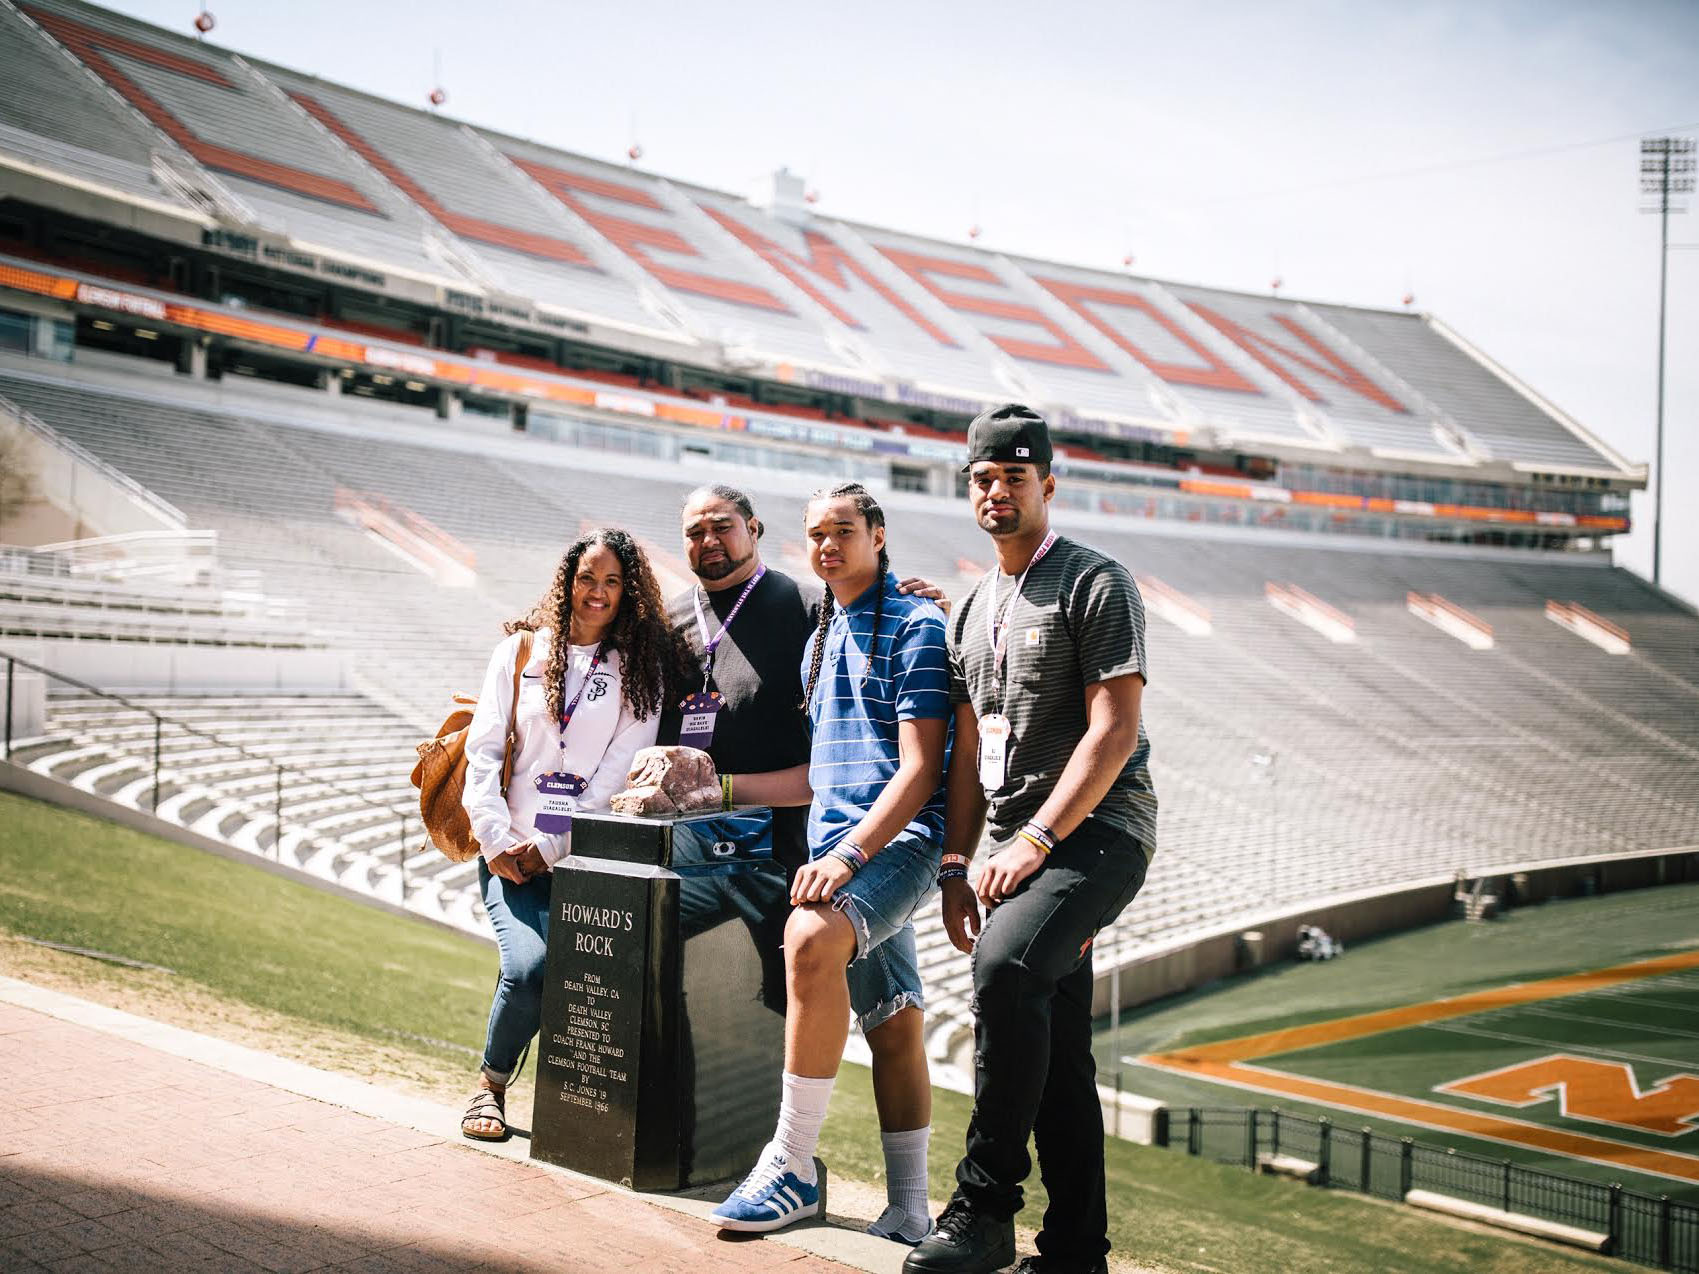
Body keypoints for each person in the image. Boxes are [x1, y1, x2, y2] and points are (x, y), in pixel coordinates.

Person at [905, 405, 1157, 1274]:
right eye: (983, 478)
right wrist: (952, 862)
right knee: (1057, 1046)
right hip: (1015, 845)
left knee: (1006, 972)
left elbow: (1114, 730)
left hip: (1097, 832)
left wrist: (1039, 838)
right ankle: (1077, 1250)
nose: (997, 491)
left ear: (1046, 484)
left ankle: (982, 1211)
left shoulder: (1095, 582)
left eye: (1014, 476)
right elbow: (969, 752)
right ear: (968, 489)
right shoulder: (974, 607)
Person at [711, 482, 950, 1244]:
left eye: (842, 530)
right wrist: (713, 786)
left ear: (877, 535)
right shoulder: (821, 640)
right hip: (838, 848)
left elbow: (918, 770)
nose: (825, 546)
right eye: (815, 533)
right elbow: (817, 775)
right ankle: (911, 1208)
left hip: (894, 843)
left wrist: (848, 855)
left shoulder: (916, 623)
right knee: (894, 1020)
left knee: (810, 937)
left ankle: (790, 1166)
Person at [458, 528, 687, 1141]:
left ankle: (582, 1111)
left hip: (588, 858)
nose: (598, 593)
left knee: (594, 987)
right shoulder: (520, 653)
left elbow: (620, 772)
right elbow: (482, 753)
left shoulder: (639, 672)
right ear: (568, 581)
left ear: (628, 591)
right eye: (588, 578)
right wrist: (497, 840)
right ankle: (490, 1086)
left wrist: (553, 843)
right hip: (509, 854)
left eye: (613, 582)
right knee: (530, 968)